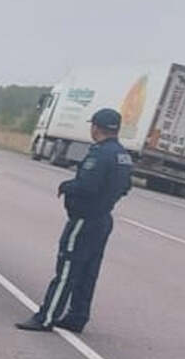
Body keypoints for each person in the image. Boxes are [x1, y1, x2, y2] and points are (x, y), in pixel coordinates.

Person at [16, 107, 133, 333]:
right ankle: (77, 316)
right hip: (103, 218)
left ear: (96, 127)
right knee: (89, 271)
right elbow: (126, 187)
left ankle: (46, 317)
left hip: (85, 219)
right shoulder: (123, 156)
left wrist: (66, 187)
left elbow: (87, 186)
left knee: (68, 267)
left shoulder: (100, 154)